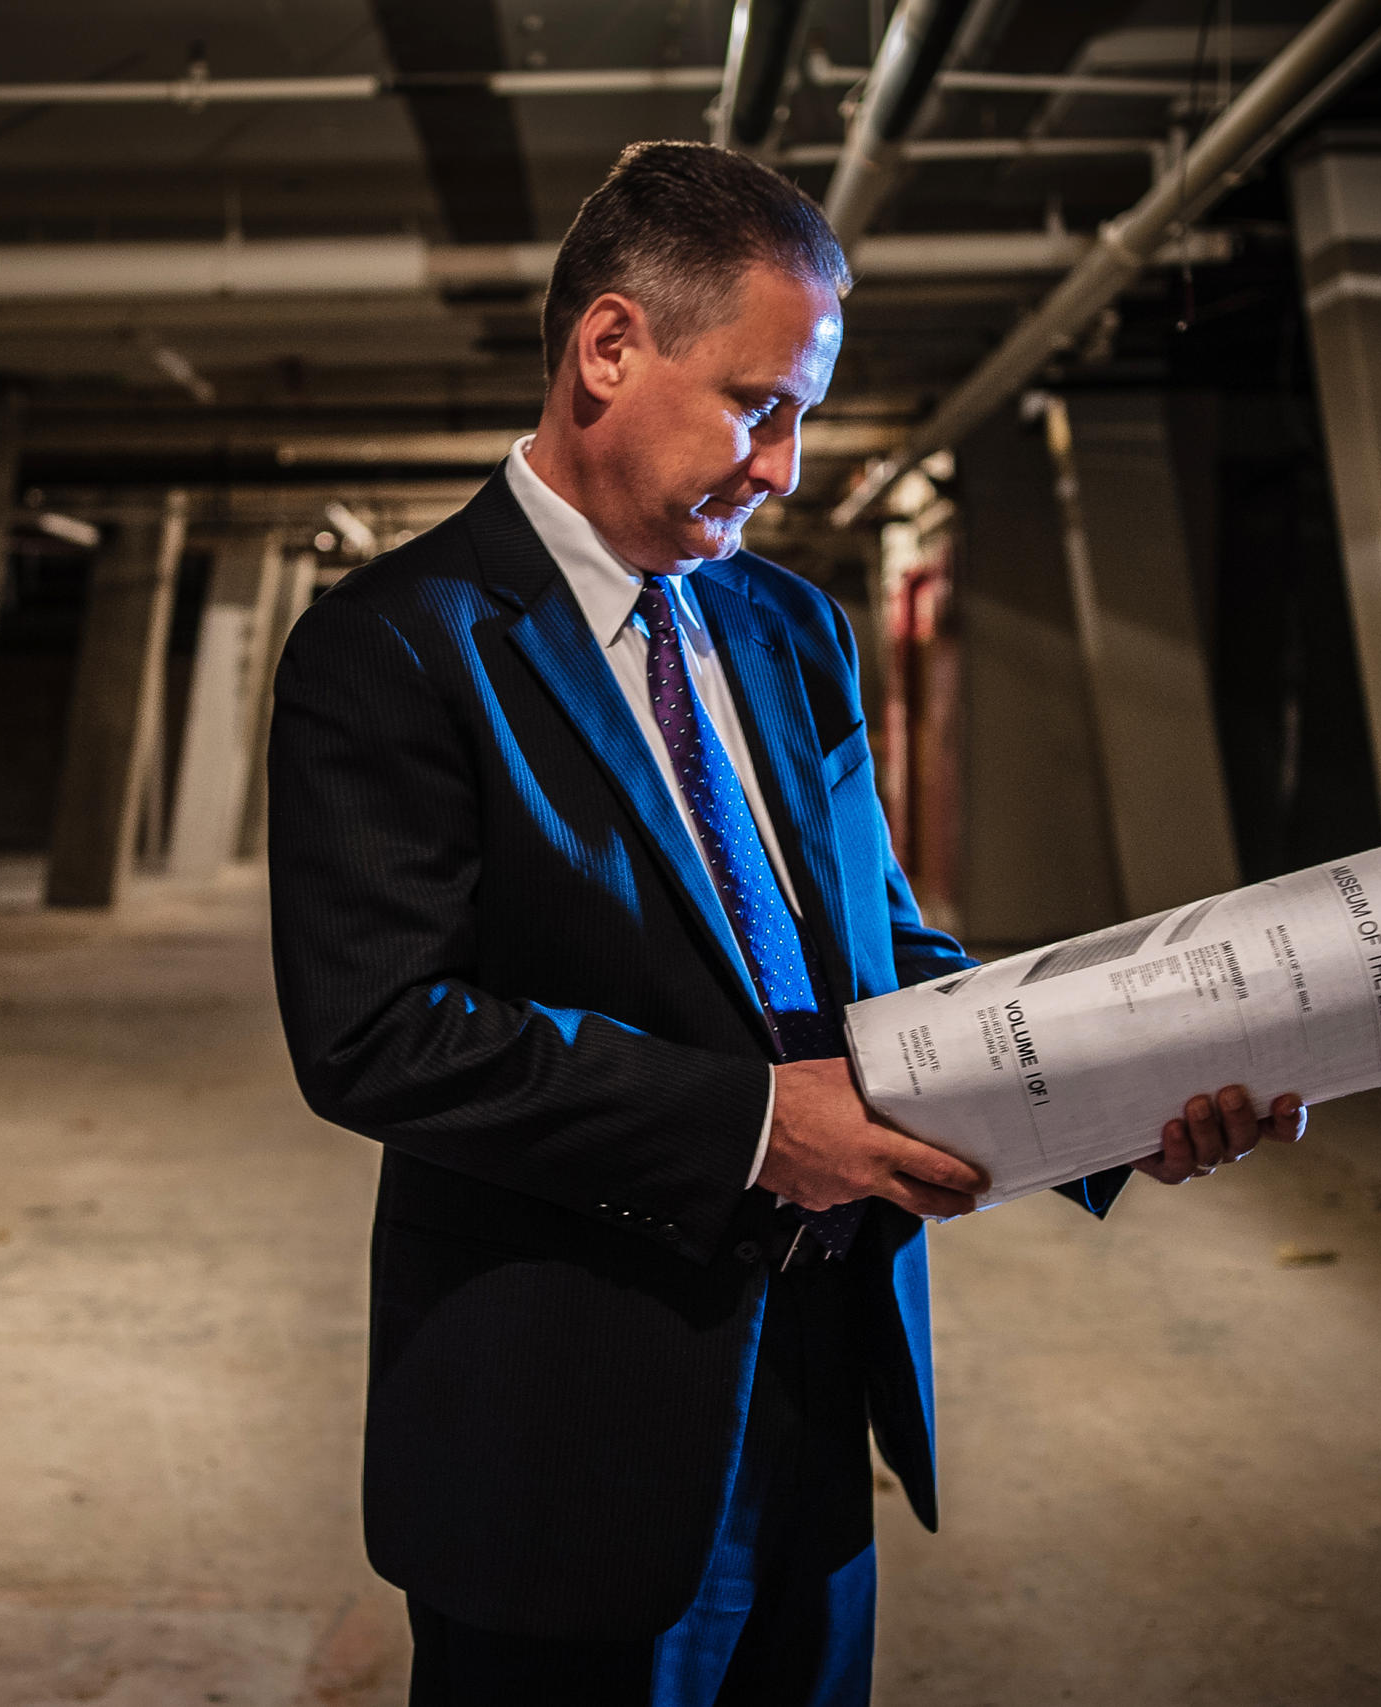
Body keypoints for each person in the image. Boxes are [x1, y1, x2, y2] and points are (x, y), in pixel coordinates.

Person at [266, 141, 1306, 1707]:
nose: (787, 469)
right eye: (762, 406)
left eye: (803, 415)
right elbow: (376, 1036)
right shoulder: (396, 646)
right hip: (565, 1431)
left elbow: (881, 963)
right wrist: (755, 1125)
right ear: (609, 349)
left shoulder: (792, 629)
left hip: (823, 1396)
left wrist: (1113, 1095)